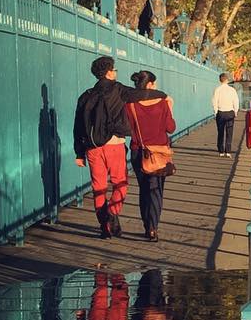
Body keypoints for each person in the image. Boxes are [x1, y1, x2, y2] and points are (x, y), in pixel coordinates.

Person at [73, 56, 167, 238]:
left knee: (98, 187)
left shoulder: (85, 96)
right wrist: (162, 95)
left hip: (92, 148)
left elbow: (77, 125)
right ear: (109, 72)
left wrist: (79, 153)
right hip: (114, 145)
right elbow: (141, 94)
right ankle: (112, 212)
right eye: (114, 70)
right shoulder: (118, 89)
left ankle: (104, 225)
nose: (116, 72)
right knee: (120, 183)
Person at [125, 70, 176, 241]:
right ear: (150, 85)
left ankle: (147, 224)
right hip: (159, 152)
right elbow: (170, 128)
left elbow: (127, 127)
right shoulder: (162, 103)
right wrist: (170, 108)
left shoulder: (130, 104)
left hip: (138, 151)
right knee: (156, 190)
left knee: (144, 189)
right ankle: (153, 227)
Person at [211, 73, 239, 157]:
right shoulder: (232, 90)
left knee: (220, 132)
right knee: (229, 132)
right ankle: (228, 151)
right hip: (230, 112)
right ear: (227, 80)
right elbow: (236, 101)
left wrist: (215, 112)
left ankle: (221, 151)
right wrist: (235, 111)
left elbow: (214, 101)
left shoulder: (217, 90)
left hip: (221, 113)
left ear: (220, 80)